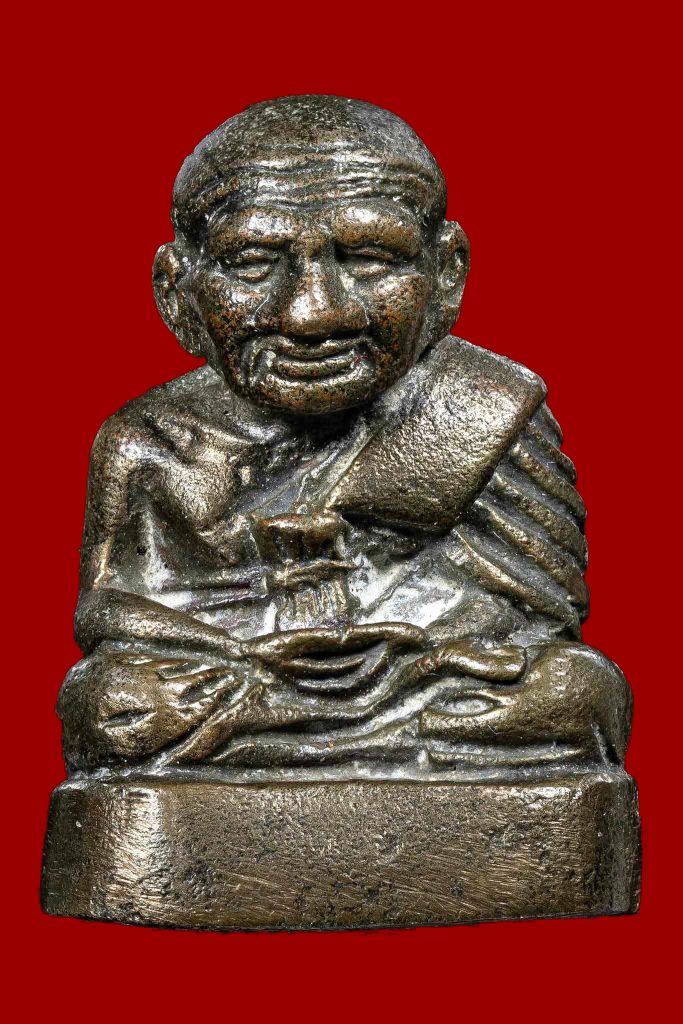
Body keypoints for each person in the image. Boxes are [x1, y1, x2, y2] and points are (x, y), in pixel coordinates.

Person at [58, 96, 631, 775]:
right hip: (237, 677)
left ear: (446, 273)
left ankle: (280, 737)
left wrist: (408, 653)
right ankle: (306, 733)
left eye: (368, 258)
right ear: (176, 290)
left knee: (576, 690)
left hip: (426, 680)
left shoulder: (480, 408)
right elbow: (109, 612)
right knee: (107, 701)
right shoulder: (149, 440)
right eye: (253, 262)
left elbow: (536, 626)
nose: (312, 315)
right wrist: (242, 653)